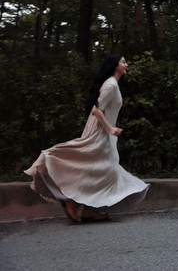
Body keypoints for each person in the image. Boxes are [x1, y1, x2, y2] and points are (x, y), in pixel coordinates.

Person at [24, 54, 150, 223]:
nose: (126, 64)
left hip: (106, 132)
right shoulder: (111, 85)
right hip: (100, 131)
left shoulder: (113, 84)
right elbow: (95, 110)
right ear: (115, 65)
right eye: (123, 62)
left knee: (99, 169)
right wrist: (110, 128)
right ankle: (71, 200)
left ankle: (87, 208)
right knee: (101, 168)